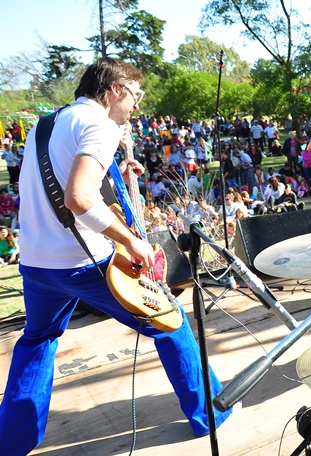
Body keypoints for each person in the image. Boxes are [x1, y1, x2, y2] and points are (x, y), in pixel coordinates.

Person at [2, 58, 236, 455]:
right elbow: (78, 198)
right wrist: (131, 242)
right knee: (170, 323)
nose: (137, 105)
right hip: (84, 263)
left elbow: (56, 179)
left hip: (37, 263)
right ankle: (210, 412)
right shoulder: (99, 125)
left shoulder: (47, 123)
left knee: (38, 339)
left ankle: (11, 441)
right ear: (115, 90)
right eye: (135, 95)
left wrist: (115, 167)